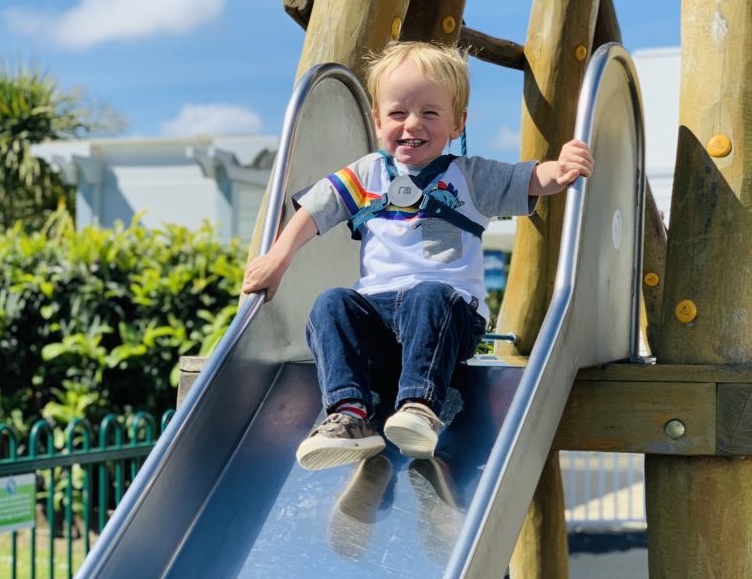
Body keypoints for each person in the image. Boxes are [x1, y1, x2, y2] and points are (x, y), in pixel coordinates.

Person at [242, 40, 593, 471]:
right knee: (332, 302)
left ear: (457, 123)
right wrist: (278, 258)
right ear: (376, 121)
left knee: (429, 293)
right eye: (397, 113)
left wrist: (559, 169)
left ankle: (419, 409)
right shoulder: (368, 173)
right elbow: (315, 212)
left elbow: (528, 179)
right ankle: (349, 416)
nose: (413, 124)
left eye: (430, 113)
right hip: (379, 315)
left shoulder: (467, 176)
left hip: (448, 313)